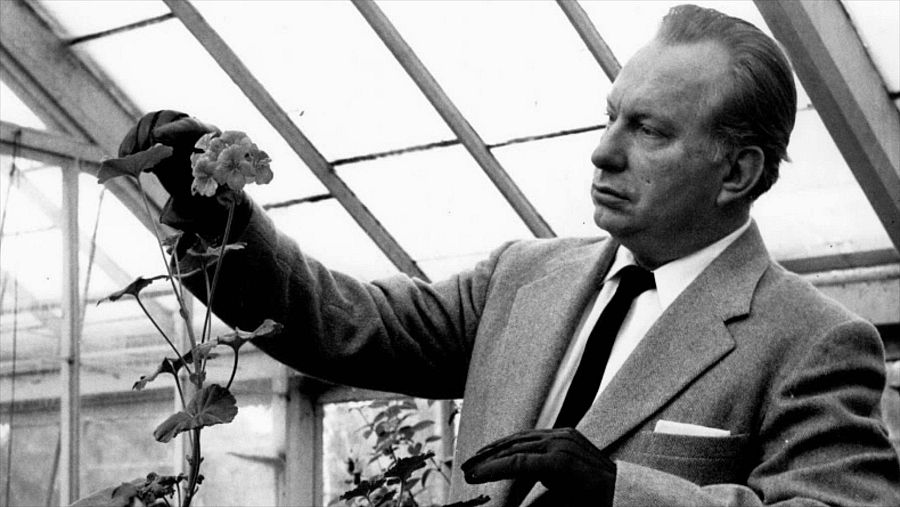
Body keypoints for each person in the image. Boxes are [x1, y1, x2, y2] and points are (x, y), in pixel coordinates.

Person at [119, 5, 900, 506]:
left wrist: (618, 488)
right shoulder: (524, 278)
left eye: (650, 130)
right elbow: (340, 324)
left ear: (738, 172)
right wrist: (210, 209)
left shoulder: (812, 339)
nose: (602, 152)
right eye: (611, 117)